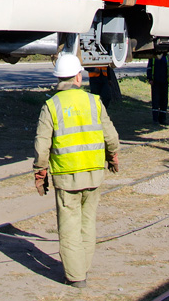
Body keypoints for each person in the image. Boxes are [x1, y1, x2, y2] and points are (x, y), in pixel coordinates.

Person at [34, 53, 120, 288]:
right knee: (87, 223)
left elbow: (42, 146)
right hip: (93, 174)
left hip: (66, 177)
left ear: (58, 79)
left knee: (69, 227)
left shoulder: (50, 106)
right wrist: (112, 157)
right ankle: (83, 268)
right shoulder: (94, 102)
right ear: (78, 78)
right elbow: (111, 137)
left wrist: (40, 174)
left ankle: (75, 277)